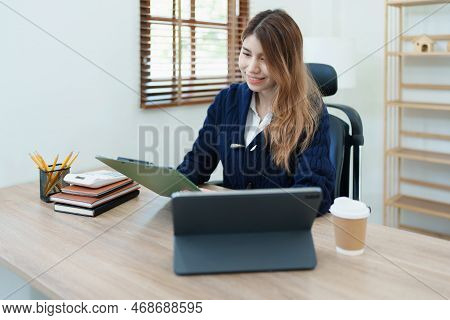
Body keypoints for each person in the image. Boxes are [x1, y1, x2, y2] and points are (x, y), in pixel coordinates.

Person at [177, 9, 335, 214]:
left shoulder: (310, 110)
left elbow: (315, 193)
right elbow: (198, 162)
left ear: (286, 62)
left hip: (281, 231)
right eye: (246, 53)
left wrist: (243, 206)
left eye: (265, 58)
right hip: (231, 227)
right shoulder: (227, 101)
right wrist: (175, 185)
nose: (251, 68)